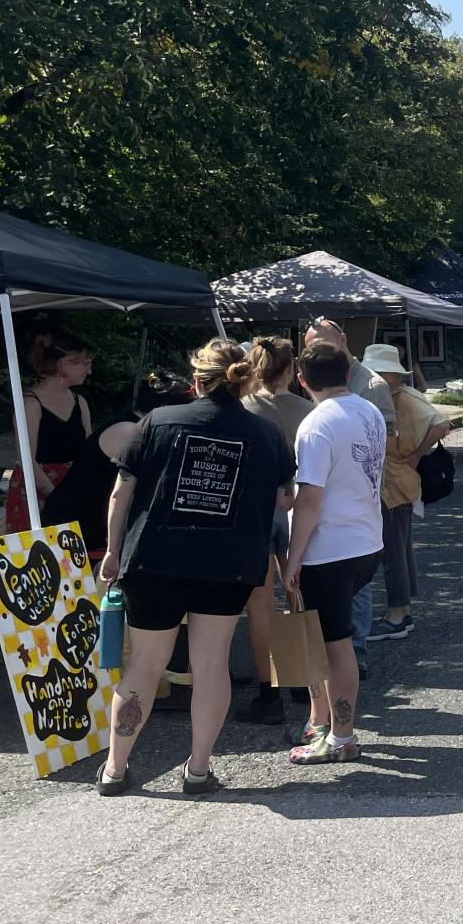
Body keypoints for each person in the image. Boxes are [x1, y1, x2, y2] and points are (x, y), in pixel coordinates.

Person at [96, 340, 296, 795]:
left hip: (154, 558)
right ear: (244, 381)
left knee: (144, 665)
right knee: (212, 665)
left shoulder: (157, 421)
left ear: (196, 380)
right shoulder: (266, 435)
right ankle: (199, 770)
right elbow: (285, 498)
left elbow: (119, 494)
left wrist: (112, 551)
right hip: (227, 564)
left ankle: (114, 769)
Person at [282, 340, 386, 764]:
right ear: (347, 373)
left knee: (333, 645)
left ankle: (341, 737)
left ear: (302, 380)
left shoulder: (316, 424)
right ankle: (323, 723)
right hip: (366, 540)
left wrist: (292, 559)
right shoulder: (369, 410)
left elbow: (309, 499)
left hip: (329, 548)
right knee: (325, 640)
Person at [235, 337, 313, 724]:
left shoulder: (243, 408)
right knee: (297, 592)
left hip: (259, 509)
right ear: (290, 370)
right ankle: (302, 677)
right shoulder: (308, 409)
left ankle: (269, 694)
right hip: (301, 505)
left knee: (261, 605)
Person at [366, 343, 447, 642]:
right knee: (398, 548)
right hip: (398, 481)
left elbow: (442, 425)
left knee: (393, 551)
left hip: (397, 481)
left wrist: (415, 456)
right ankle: (402, 610)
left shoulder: (403, 396)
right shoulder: (392, 395)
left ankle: (397, 614)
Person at [6, 326, 96, 533]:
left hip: (73, 489)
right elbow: (28, 460)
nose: (89, 371)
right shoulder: (30, 404)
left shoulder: (79, 401)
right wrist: (56, 496)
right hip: (38, 491)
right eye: (86, 364)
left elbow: (89, 451)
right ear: (64, 364)